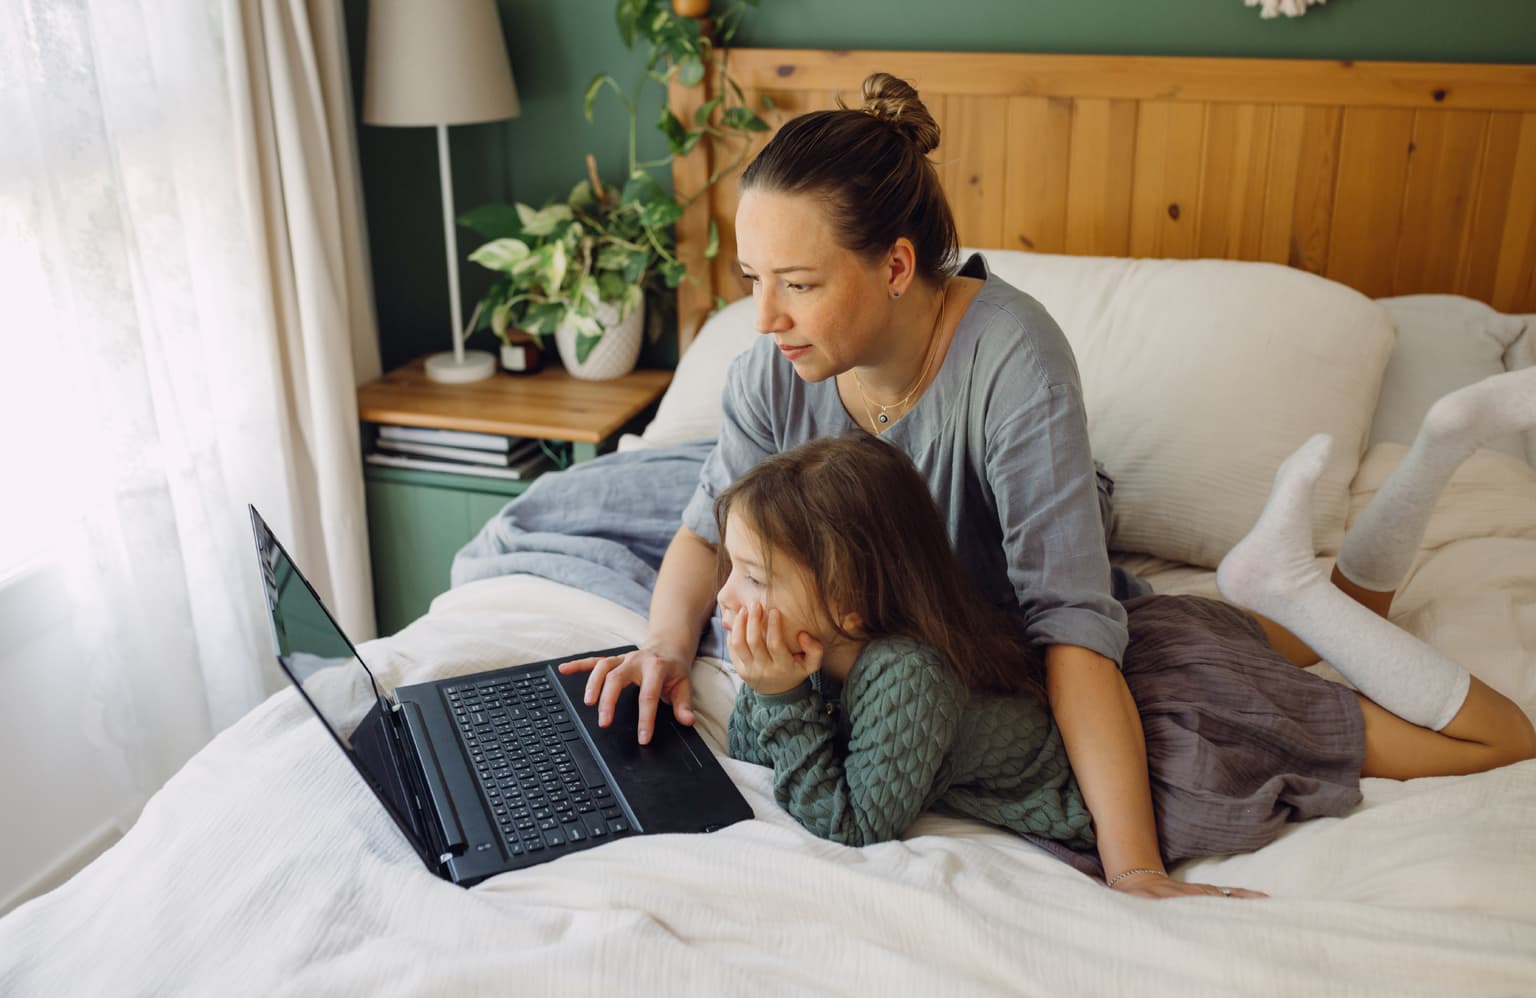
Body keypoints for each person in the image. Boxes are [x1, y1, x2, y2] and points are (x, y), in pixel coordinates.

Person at [562, 70, 1173, 889]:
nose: (765, 317)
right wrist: (665, 648)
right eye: (752, 279)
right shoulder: (769, 371)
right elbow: (708, 529)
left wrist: (1134, 867)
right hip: (851, 599)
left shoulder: (1016, 366)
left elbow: (1070, 623)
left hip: (969, 605)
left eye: (800, 285)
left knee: (1217, 656)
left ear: (895, 266)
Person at [718, 426, 1535, 898]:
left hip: (1173, 737)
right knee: (1322, 637)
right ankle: (1316, 566)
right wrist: (774, 689)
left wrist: (781, 700)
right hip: (1149, 661)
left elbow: (856, 825)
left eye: (751, 578)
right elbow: (761, 746)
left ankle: (1314, 575)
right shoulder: (835, 650)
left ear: (852, 604)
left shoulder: (905, 675)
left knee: (1502, 744)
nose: (727, 596)